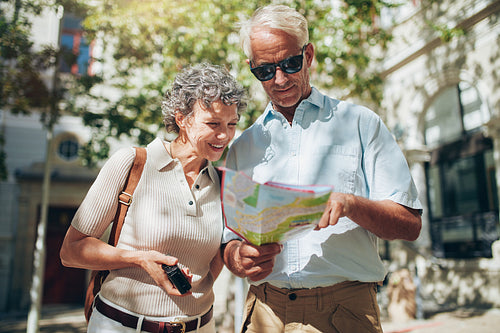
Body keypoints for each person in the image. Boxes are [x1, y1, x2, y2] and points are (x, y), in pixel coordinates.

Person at [222, 5, 423, 333]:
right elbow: (228, 242)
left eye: (290, 63)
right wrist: (238, 257)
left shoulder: (361, 124)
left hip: (345, 312)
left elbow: (409, 225)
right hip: (264, 313)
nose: (281, 79)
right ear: (252, 68)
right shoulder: (242, 147)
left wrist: (351, 205)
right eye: (265, 71)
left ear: (309, 54)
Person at [60, 63, 247, 333]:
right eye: (213, 124)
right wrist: (138, 259)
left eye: (231, 124)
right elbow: (71, 251)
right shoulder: (132, 163)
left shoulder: (222, 182)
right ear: (181, 118)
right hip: (122, 326)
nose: (224, 135)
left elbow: (213, 261)